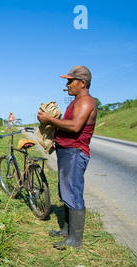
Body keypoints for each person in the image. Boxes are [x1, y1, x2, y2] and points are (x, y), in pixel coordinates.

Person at [37, 65, 97, 250]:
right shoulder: (76, 100)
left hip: (75, 152)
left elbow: (74, 126)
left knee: (73, 193)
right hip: (66, 151)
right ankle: (66, 229)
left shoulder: (86, 101)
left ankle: (75, 239)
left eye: (71, 81)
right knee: (65, 192)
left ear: (83, 83)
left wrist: (49, 120)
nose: (67, 84)